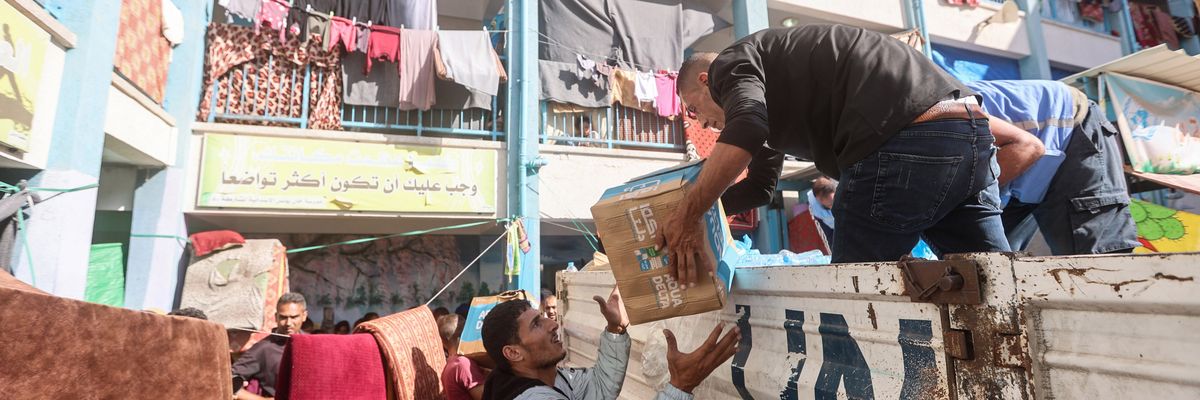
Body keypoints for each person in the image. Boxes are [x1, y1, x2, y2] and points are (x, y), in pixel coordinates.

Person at [663, 24, 1011, 282]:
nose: (702, 123)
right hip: (969, 130)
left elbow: (747, 128)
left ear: (706, 79)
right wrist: (699, 213)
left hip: (902, 133)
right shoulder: (763, 100)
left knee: (857, 297)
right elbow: (760, 187)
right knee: (993, 283)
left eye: (693, 109)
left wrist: (689, 212)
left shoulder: (730, 64)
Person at [966, 79, 1139, 254]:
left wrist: (966, 196)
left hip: (1067, 130)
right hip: (1020, 171)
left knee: (1093, 258)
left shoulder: (954, 111)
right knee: (983, 257)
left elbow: (1029, 147)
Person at [480, 287, 738, 400]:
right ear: (513, 353)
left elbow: (599, 388)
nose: (553, 324)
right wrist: (681, 385)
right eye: (537, 324)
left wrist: (616, 330)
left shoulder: (550, 379)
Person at [232, 292, 308, 400]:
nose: (288, 323)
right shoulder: (264, 348)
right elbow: (229, 378)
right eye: (283, 317)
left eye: (294, 317)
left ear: (304, 316)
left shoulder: (312, 344)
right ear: (276, 317)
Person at [439, 314, 487, 400]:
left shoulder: (451, 364)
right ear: (466, 335)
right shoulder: (462, 364)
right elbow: (486, 397)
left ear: (443, 343)